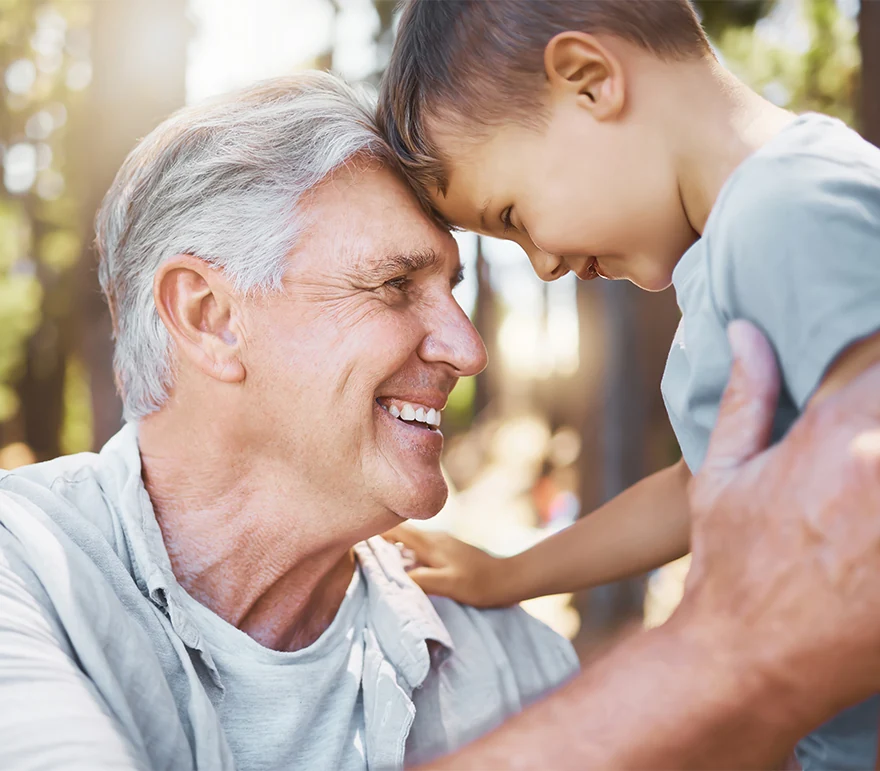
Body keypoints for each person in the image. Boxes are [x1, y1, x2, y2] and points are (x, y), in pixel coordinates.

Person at [0, 72, 580, 771]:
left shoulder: (513, 664)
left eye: (451, 289)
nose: (468, 349)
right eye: (396, 285)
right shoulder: (24, 572)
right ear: (209, 318)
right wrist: (699, 664)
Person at [377, 1, 880, 767]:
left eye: (512, 215)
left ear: (589, 82)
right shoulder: (740, 241)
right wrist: (510, 573)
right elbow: (695, 488)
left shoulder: (785, 211)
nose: (540, 262)